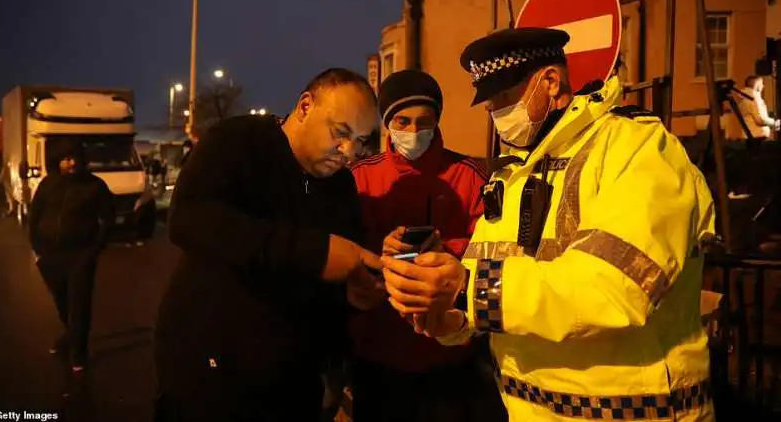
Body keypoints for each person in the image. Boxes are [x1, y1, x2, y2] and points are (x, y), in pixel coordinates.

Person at [380, 28, 717, 422]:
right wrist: (447, 315)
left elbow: (616, 288)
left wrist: (467, 288)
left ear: (551, 82)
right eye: (490, 104)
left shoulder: (637, 149)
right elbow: (490, 295)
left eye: (504, 99)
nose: (495, 114)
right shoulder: (512, 173)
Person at [153, 68, 386, 422]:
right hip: (210, 373)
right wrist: (313, 251)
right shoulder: (237, 142)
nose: (350, 152)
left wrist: (351, 297)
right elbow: (189, 220)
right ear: (306, 106)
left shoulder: (340, 189)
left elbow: (331, 284)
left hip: (294, 384)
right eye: (341, 133)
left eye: (362, 140)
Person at [348, 69, 504, 422]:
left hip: (451, 354)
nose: (414, 131)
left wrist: (446, 250)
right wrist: (379, 249)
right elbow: (345, 246)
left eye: (424, 121)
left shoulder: (469, 175)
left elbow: (494, 244)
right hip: (379, 349)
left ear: (437, 120)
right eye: (402, 121)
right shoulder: (361, 176)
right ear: (387, 123)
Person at [29, 138, 115, 371]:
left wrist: (94, 250)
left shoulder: (95, 186)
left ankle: (78, 352)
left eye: (76, 158)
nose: (72, 162)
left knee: (79, 304)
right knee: (62, 301)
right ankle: (70, 336)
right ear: (58, 161)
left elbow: (108, 220)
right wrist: (36, 248)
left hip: (80, 255)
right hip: (50, 255)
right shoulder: (48, 184)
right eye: (67, 158)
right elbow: (34, 215)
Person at [737, 75, 779, 140]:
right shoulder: (754, 99)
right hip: (757, 137)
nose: (763, 86)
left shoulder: (744, 99)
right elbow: (760, 120)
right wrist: (774, 123)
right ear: (757, 85)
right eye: (762, 84)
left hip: (750, 135)